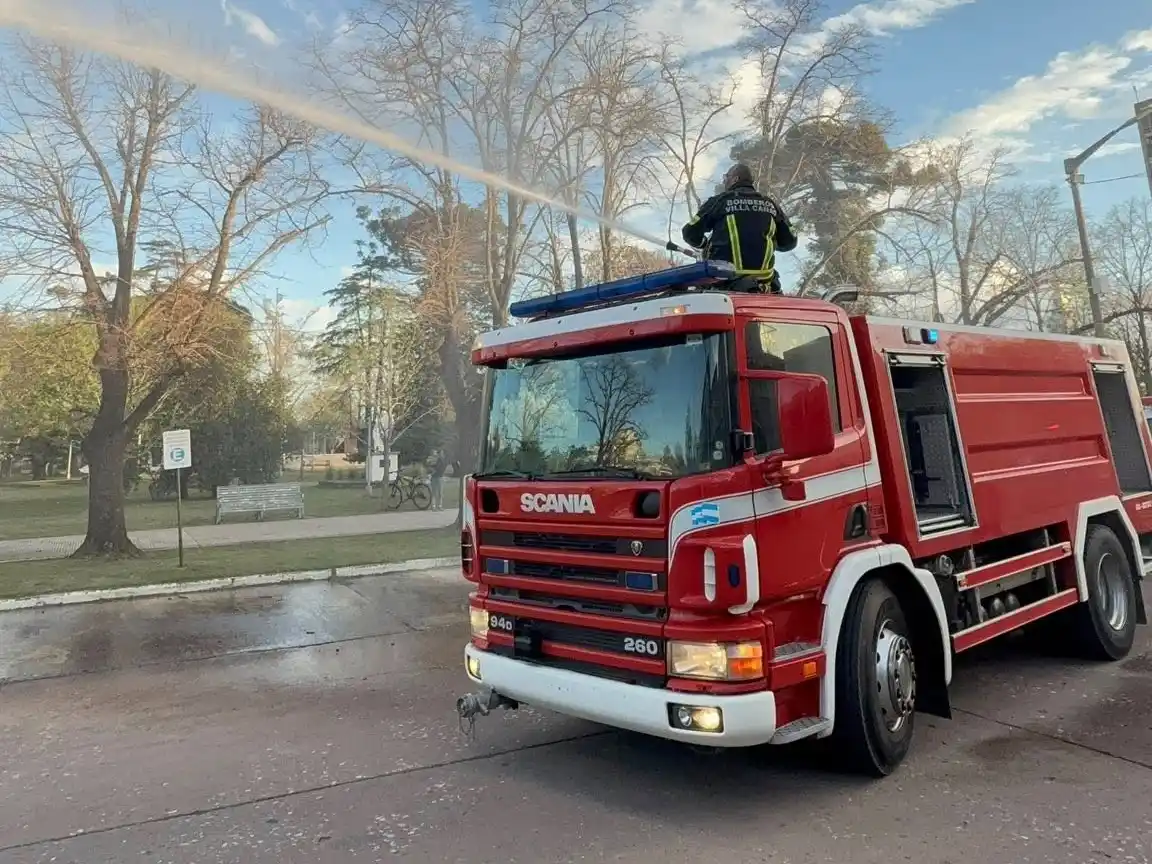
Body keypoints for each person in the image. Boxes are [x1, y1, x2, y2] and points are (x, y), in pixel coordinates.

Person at [681, 163, 798, 294]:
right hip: (764, 286)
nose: (724, 180)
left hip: (724, 283)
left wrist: (704, 244)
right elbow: (790, 242)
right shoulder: (770, 204)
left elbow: (689, 232)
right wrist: (764, 241)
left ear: (735, 179)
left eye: (726, 177)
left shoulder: (720, 201)